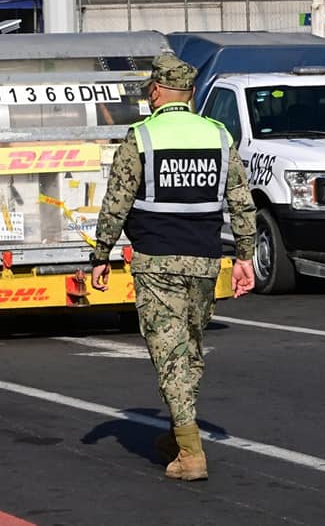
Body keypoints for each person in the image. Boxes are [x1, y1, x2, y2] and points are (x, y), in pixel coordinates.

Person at [90, 53, 257, 482]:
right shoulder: (218, 135)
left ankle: (190, 451)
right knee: (190, 350)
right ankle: (175, 432)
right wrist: (244, 257)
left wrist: (101, 254)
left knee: (169, 353)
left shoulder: (141, 137)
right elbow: (241, 201)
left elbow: (117, 201)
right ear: (193, 93)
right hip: (204, 262)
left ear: (157, 92)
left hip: (157, 263)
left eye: (150, 89)